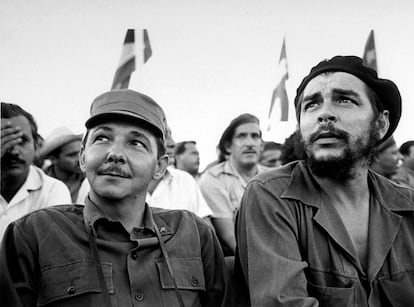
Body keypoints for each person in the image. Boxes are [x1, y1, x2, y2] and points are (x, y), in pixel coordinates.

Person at [0, 89, 232, 306]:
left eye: (136, 143)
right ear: (82, 157)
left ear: (160, 167)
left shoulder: (194, 233)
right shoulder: (33, 234)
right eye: (102, 139)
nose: (115, 154)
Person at [236, 56, 414, 306]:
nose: (324, 114)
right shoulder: (271, 195)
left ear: (381, 124)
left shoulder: (408, 204)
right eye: (311, 105)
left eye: (345, 100)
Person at [199, 113, 267, 256]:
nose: (249, 143)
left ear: (261, 145)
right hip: (243, 261)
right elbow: (231, 239)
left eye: (255, 136)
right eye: (241, 136)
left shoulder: (273, 177)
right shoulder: (213, 179)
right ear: (228, 146)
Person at [0, 103, 71, 239]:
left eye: (22, 140)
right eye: (3, 140)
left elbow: (51, 249)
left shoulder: (53, 190)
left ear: (36, 145)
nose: (14, 151)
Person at [40, 126, 86, 203]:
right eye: (72, 155)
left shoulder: (89, 180)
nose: (79, 159)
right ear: (54, 159)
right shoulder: (40, 183)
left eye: (80, 153)